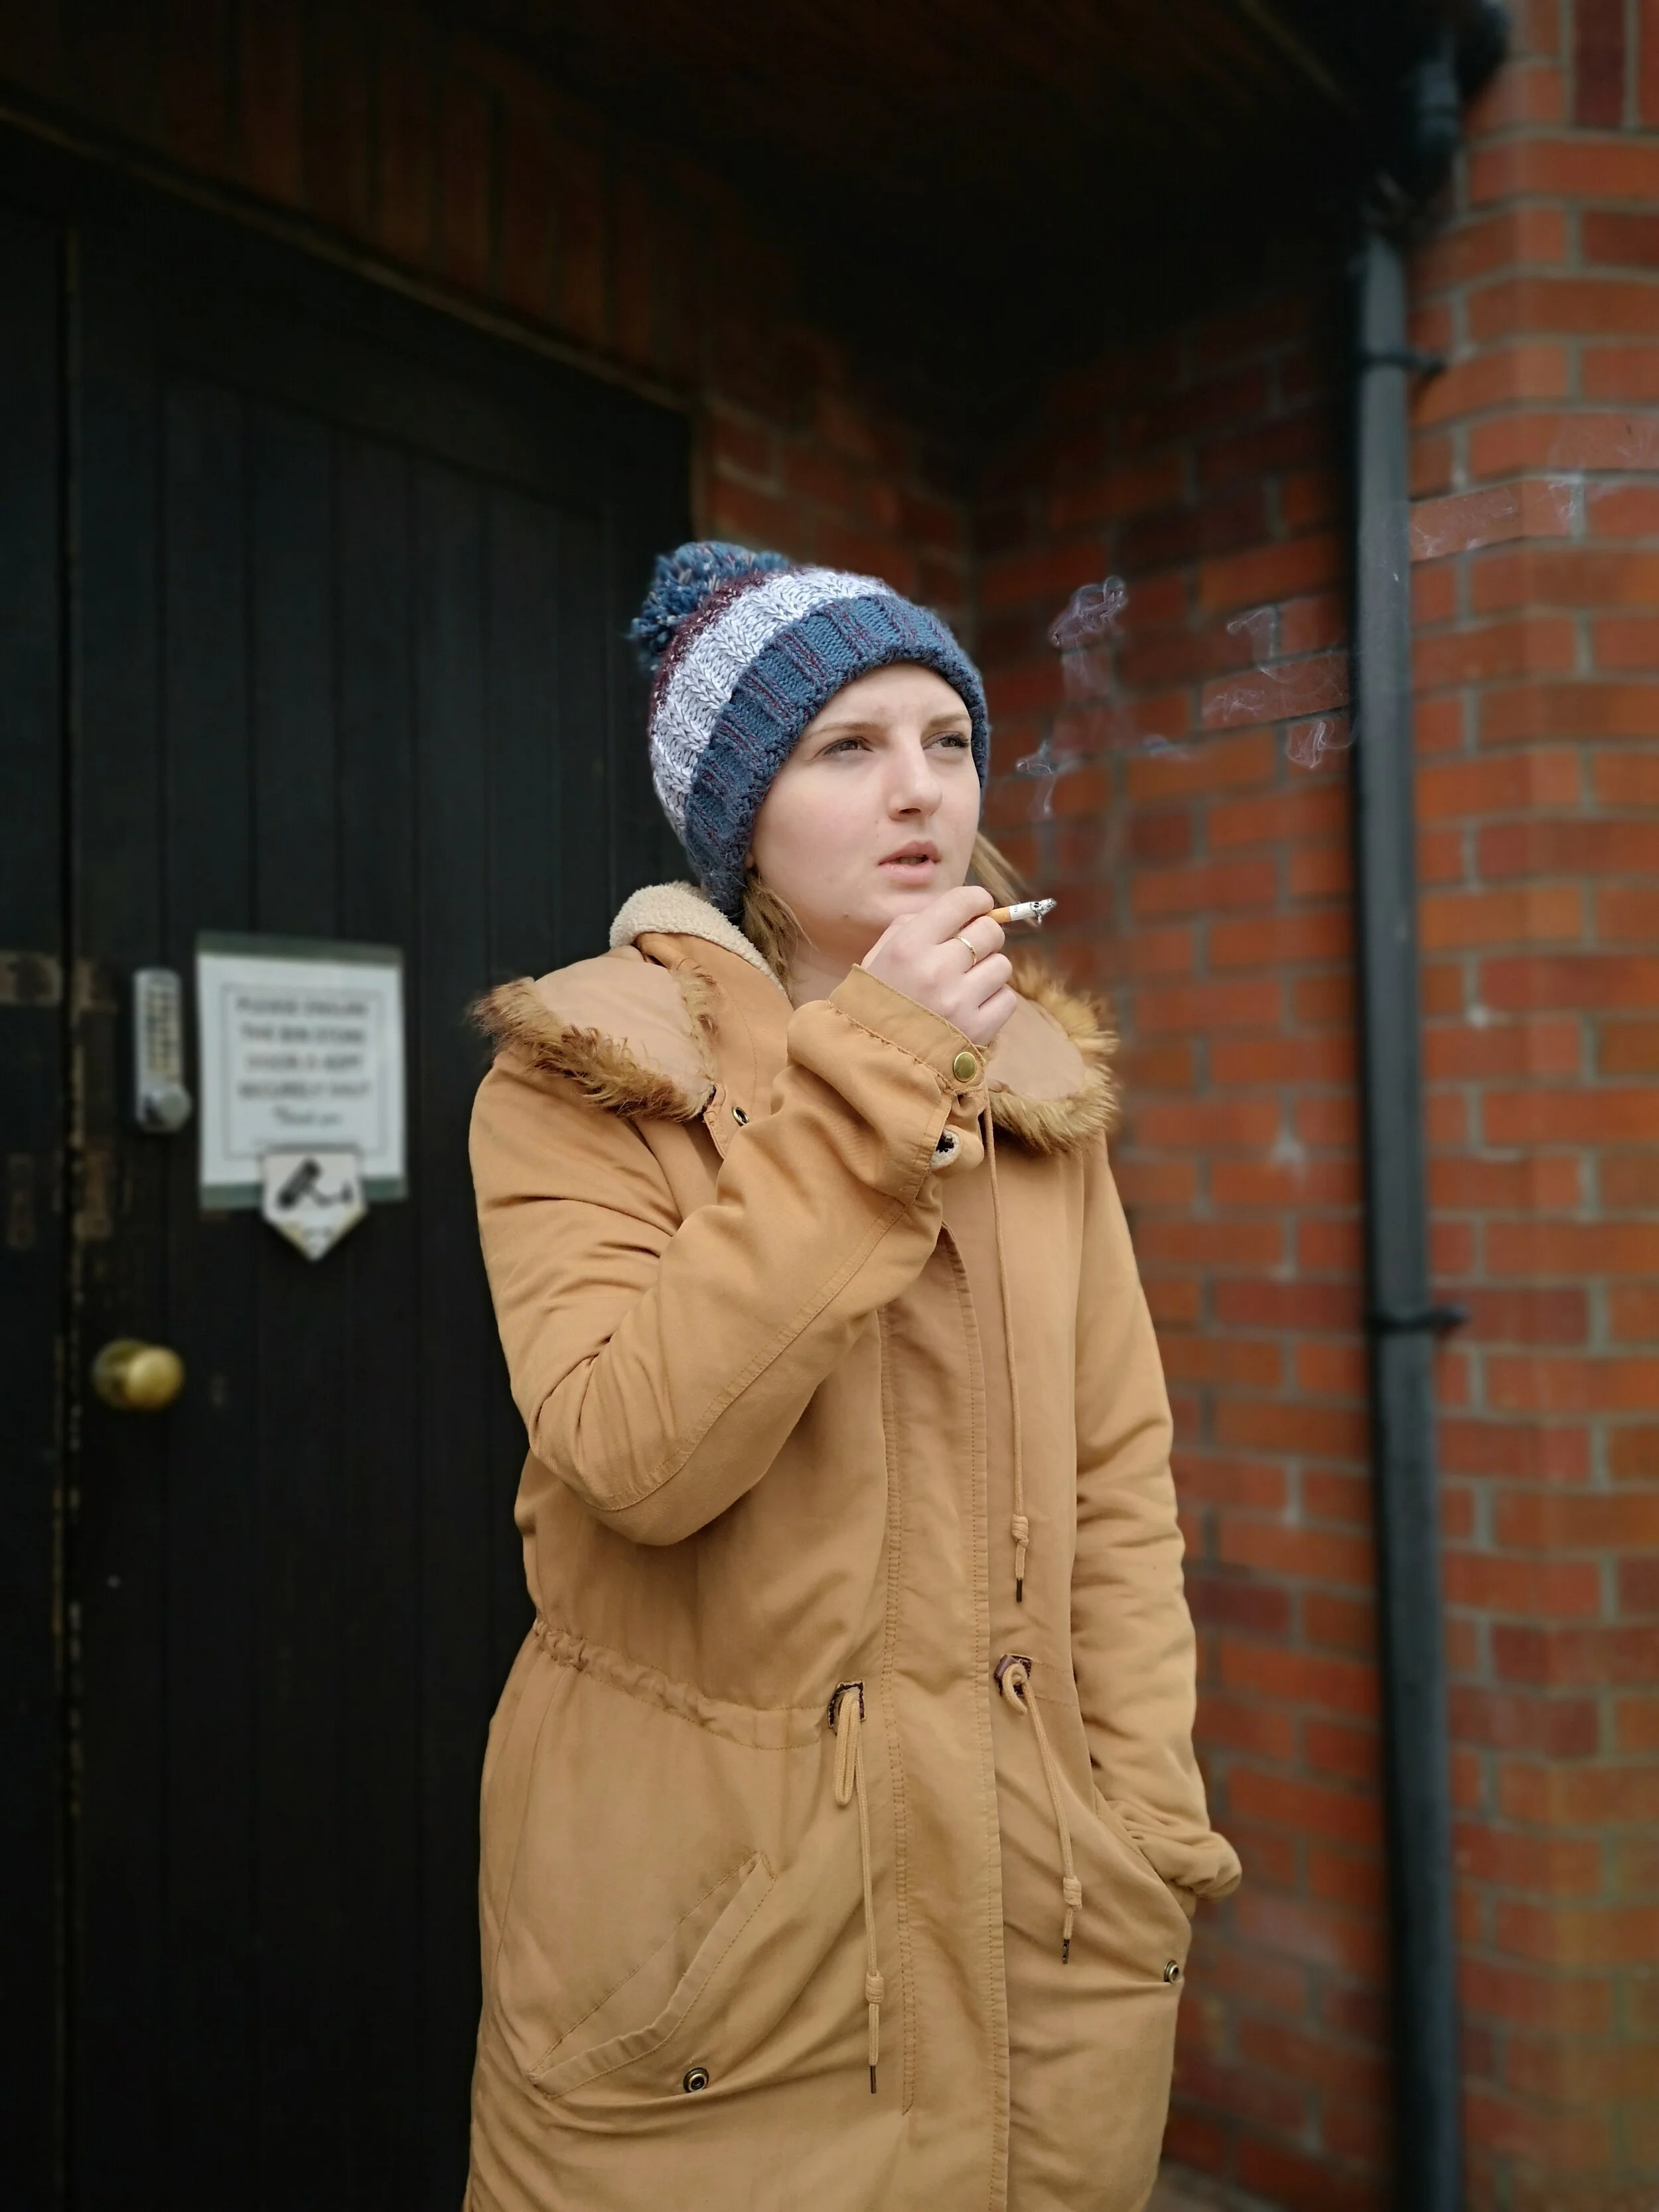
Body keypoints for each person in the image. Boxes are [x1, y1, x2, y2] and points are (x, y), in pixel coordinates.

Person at [465, 543, 1240, 2212]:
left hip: (1043, 1927)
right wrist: (877, 1075)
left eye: (947, 741)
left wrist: (1145, 1829)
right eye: (847, 746)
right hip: (716, 1970)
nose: (919, 790)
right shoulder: (588, 1073)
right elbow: (636, 1455)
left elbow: (1116, 1484)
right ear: (740, 813)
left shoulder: (1033, 1088)